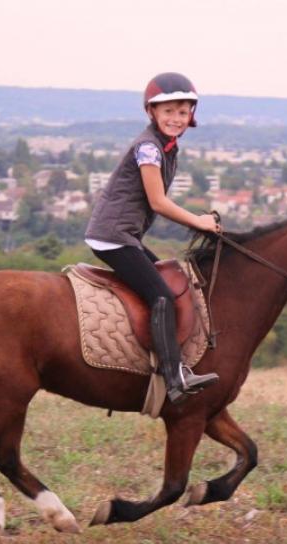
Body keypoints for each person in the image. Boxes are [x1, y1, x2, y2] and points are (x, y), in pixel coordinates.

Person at [84, 72, 220, 404]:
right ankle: (173, 378)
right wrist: (199, 222)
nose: (176, 119)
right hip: (113, 236)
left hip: (124, 234)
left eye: (183, 112)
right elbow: (158, 202)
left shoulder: (166, 147)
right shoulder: (149, 149)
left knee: (167, 278)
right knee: (161, 296)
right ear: (151, 112)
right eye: (169, 111)